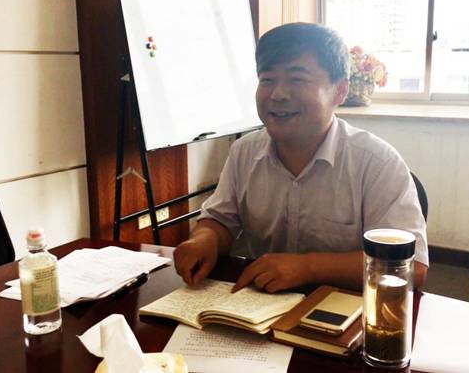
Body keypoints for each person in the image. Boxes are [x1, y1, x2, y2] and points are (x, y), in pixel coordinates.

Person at [174, 22, 428, 293]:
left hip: (348, 310)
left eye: (297, 79)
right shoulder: (243, 152)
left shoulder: (377, 162)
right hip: (261, 304)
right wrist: (204, 240)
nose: (277, 94)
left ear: (339, 91)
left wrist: (308, 268)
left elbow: (411, 267)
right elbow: (220, 220)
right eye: (267, 79)